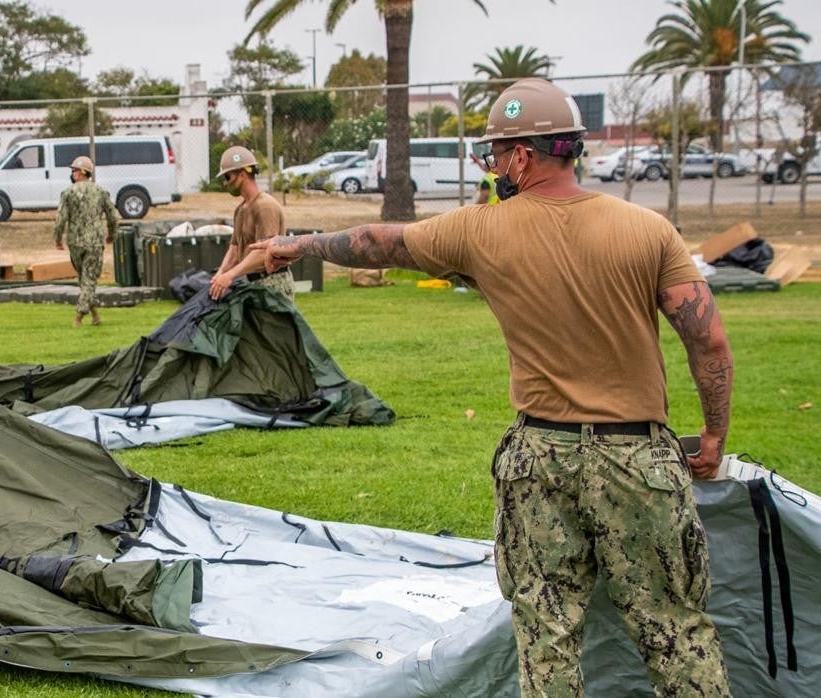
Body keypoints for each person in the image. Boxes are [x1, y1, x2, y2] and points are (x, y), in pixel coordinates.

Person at [249, 78, 733, 697]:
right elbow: (709, 341)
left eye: (497, 155)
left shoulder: (482, 231)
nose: (494, 168)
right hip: (639, 459)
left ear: (524, 156)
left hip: (540, 460)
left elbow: (377, 242)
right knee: (674, 630)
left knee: (545, 633)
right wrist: (713, 434)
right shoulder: (648, 230)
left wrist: (301, 245)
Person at [208, 146, 293, 302]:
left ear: (242, 175)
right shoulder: (241, 209)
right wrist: (220, 274)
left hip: (272, 285)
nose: (225, 183)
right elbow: (234, 250)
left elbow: (265, 251)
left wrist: (231, 275)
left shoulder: (265, 206)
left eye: (227, 177)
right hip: (250, 283)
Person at [54, 155, 117, 327]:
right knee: (88, 279)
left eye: (74, 170)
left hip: (75, 242)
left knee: (84, 279)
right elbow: (113, 217)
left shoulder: (68, 193)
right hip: (95, 242)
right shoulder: (101, 192)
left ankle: (90, 315)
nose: (72, 173)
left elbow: (60, 218)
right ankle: (81, 315)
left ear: (82, 172)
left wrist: (58, 239)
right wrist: (112, 234)